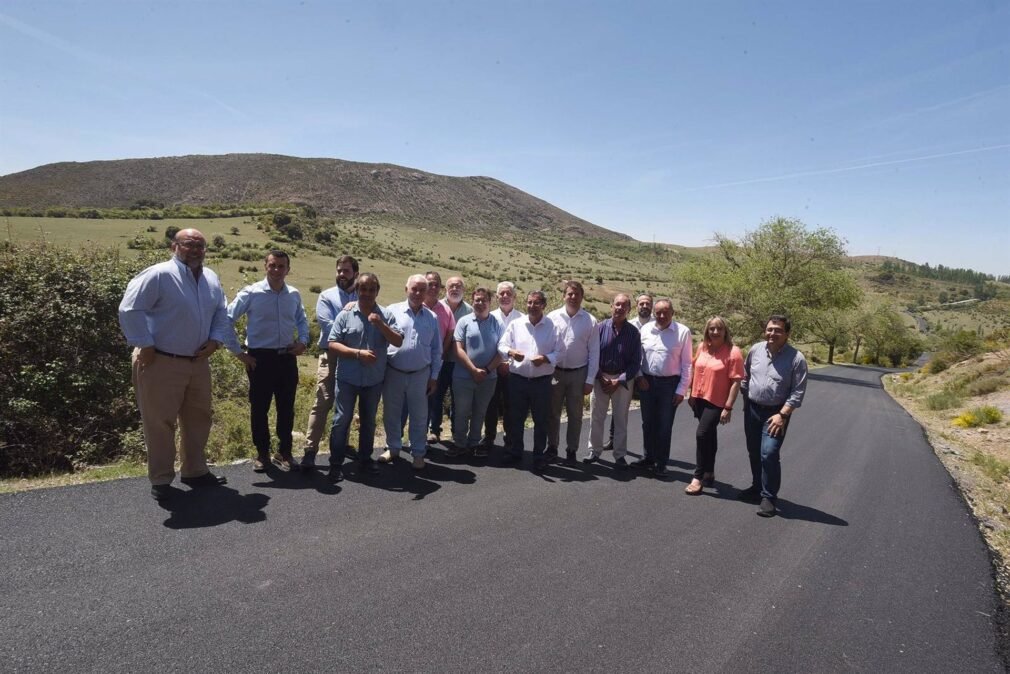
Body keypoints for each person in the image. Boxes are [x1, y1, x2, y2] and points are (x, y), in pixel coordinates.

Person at [118, 229, 239, 500]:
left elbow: (221, 311)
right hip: (160, 360)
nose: (195, 250)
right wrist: (144, 344)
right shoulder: (159, 274)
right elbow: (129, 309)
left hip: (197, 362)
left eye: (200, 246)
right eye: (188, 244)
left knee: (199, 419)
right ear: (174, 246)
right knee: (160, 423)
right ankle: (161, 481)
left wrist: (217, 340)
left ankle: (195, 471)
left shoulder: (210, 278)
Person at [226, 250, 310, 473]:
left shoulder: (293, 294)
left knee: (286, 408)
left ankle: (284, 452)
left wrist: (302, 341)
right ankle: (262, 454)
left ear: (288, 269)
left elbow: (302, 320)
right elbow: (226, 319)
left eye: (281, 266)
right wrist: (238, 353)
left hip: (287, 358)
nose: (276, 270)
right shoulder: (251, 293)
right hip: (259, 359)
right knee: (259, 409)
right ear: (265, 266)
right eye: (272, 265)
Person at [326, 273, 403, 482]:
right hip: (347, 379)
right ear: (357, 291)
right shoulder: (345, 315)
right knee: (341, 420)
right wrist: (357, 353)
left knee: (368, 422)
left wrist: (380, 325)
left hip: (373, 380)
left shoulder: (386, 315)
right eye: (363, 289)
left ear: (377, 291)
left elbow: (398, 341)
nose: (367, 293)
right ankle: (336, 463)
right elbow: (332, 343)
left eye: (371, 289)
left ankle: (365, 460)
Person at [738, 315, 808, 517]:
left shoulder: (796, 359)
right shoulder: (755, 350)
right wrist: (745, 402)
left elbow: (797, 392)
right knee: (753, 450)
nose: (772, 333)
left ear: (787, 334)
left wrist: (783, 415)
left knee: (768, 452)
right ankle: (756, 487)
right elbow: (746, 377)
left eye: (778, 330)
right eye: (770, 329)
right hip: (752, 409)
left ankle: (769, 497)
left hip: (776, 414)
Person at [378, 274, 441, 470]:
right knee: (392, 413)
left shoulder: (432, 317)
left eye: (422, 289)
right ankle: (393, 448)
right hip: (393, 371)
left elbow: (436, 350)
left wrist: (434, 377)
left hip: (420, 374)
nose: (418, 293)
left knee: (419, 416)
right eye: (414, 289)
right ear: (406, 289)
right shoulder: (391, 311)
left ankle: (418, 453)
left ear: (427, 292)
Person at [300, 255, 358, 468]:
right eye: (339, 271)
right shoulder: (326, 297)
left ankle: (342, 445)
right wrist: (355, 331)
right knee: (322, 402)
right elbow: (330, 327)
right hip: (331, 356)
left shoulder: (363, 295)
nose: (342, 275)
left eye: (347, 271)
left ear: (355, 274)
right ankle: (310, 450)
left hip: (353, 357)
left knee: (347, 404)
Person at [498, 290, 564, 471]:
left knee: (541, 420)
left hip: (541, 382)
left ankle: (538, 455)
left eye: (536, 303)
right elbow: (502, 345)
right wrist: (511, 352)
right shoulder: (516, 324)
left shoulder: (553, 327)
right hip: (517, 380)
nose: (532, 306)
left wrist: (545, 358)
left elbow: (561, 352)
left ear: (543, 305)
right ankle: (516, 452)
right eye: (529, 302)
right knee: (516, 418)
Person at [684, 316, 744, 494]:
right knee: (709, 435)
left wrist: (728, 407)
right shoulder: (702, 347)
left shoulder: (733, 352)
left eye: (719, 329)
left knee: (702, 434)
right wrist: (691, 393)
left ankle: (698, 476)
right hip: (699, 398)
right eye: (712, 329)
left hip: (717, 402)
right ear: (707, 330)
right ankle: (709, 472)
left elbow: (736, 382)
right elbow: (695, 369)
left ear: (725, 331)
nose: (715, 332)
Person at [634, 298, 692, 476]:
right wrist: (639, 376)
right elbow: (637, 357)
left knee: (664, 425)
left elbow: (687, 364)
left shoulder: (682, 332)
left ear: (672, 313)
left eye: (665, 312)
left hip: (669, 384)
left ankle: (661, 462)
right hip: (647, 382)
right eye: (658, 312)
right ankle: (648, 457)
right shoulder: (645, 330)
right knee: (648, 423)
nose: (661, 315)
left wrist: (681, 390)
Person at [583, 293, 640, 469]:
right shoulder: (599, 328)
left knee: (621, 418)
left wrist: (619, 380)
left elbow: (635, 362)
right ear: (611, 306)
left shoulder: (633, 332)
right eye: (617, 305)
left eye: (624, 306)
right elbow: (591, 355)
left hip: (623, 381)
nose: (620, 308)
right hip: (601, 378)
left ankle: (620, 455)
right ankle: (594, 451)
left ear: (629, 310)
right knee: (596, 417)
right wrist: (600, 376)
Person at [546, 281, 599, 466]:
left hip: (579, 374)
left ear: (581, 297)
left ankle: (571, 450)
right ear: (564, 296)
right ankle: (552, 447)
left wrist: (590, 380)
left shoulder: (590, 321)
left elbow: (594, 353)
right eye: (570, 294)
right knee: (552, 413)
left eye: (577, 294)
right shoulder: (552, 318)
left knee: (575, 415)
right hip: (555, 372)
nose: (573, 297)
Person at [450, 287, 503, 458]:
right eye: (477, 300)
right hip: (463, 376)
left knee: (480, 412)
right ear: (472, 301)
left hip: (488, 378)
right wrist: (473, 370)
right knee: (462, 412)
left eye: (483, 300)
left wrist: (486, 370)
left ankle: (473, 444)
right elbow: (458, 349)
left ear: (490, 302)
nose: (480, 303)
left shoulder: (497, 323)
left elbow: (502, 351)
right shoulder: (464, 322)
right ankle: (459, 444)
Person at [605, 292, 653, 450]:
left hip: (649, 374)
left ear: (652, 305)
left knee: (648, 414)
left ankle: (650, 450)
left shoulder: (657, 325)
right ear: (636, 306)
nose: (645, 306)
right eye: (642, 303)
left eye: (648, 303)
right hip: (630, 373)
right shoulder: (629, 325)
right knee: (619, 408)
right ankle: (613, 439)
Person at [428, 275, 472, 443]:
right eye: (451, 286)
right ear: (445, 289)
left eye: (458, 286)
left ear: (463, 290)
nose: (455, 289)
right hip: (438, 360)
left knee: (458, 398)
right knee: (436, 396)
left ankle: (456, 431)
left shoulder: (469, 310)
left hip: (459, 362)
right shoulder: (435, 306)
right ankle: (434, 430)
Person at [482, 281, 524, 452]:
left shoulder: (522, 319)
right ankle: (489, 436)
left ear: (514, 297)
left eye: (509, 293)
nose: (505, 296)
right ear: (496, 296)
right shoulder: (489, 317)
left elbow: (525, 346)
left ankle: (510, 436)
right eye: (502, 293)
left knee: (511, 405)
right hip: (491, 369)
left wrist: (508, 363)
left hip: (513, 371)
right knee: (490, 405)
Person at [422, 271, 457, 444]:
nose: (433, 287)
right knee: (417, 398)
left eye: (436, 284)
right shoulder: (416, 305)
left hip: (438, 361)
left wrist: (441, 353)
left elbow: (450, 332)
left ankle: (433, 429)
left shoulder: (445, 310)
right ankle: (416, 432)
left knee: (435, 395)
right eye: (430, 283)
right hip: (418, 362)